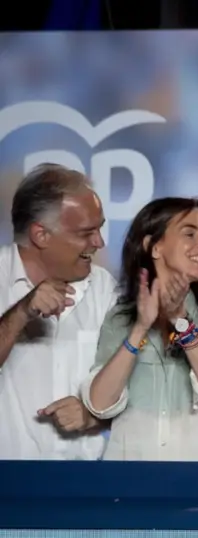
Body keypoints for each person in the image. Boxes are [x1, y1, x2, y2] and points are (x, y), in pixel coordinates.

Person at [81, 197, 198, 460]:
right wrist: (140, 329)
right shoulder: (119, 318)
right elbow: (100, 404)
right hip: (134, 485)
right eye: (189, 234)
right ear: (153, 246)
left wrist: (181, 320)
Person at [0, 164, 114, 459]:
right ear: (41, 235)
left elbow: (137, 385)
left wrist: (94, 416)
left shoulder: (103, 287)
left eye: (99, 228)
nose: (99, 242)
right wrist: (21, 312)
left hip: (86, 488)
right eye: (86, 232)